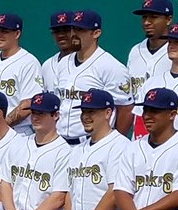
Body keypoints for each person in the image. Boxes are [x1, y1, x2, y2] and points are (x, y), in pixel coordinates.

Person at [124, 0, 178, 137]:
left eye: (154, 17)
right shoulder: (135, 51)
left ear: (168, 19)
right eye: (144, 17)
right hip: (142, 135)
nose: (147, 22)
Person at [54, 10, 133, 143]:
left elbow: (125, 109)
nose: (74, 34)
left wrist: (113, 143)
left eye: (80, 30)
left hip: (92, 141)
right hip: (61, 142)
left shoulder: (111, 66)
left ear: (96, 33)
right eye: (72, 29)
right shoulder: (63, 63)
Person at [0, 13, 43, 137]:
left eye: (4, 31)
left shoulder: (29, 62)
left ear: (17, 34)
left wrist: (0, 126)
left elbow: (27, 104)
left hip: (18, 132)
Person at [40, 11, 80, 94]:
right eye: (56, 31)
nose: (61, 35)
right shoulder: (46, 65)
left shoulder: (85, 62)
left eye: (66, 30)